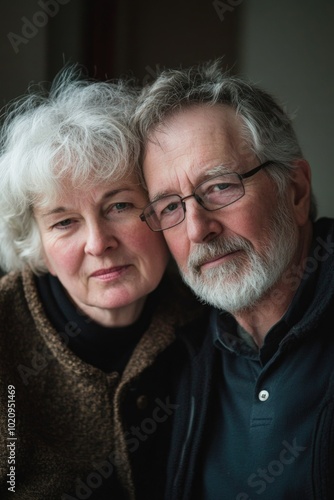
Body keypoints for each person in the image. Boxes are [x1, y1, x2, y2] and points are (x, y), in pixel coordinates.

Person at [133, 58, 334, 499]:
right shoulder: (174, 353)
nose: (196, 228)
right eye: (169, 206)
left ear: (296, 191)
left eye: (220, 186)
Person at [0, 66, 204, 500]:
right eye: (65, 222)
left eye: (119, 206)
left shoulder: (208, 313)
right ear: (36, 243)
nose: (98, 243)